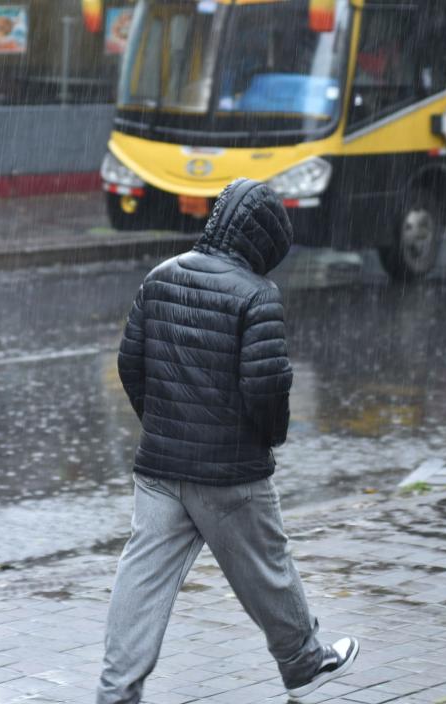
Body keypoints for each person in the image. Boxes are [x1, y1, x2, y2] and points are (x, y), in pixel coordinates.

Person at [98, 179, 360, 704]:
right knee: (268, 567)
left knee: (142, 580)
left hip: (159, 468)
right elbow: (266, 387)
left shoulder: (160, 277)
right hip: (230, 473)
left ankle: (116, 692)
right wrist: (269, 438)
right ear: (261, 242)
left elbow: (131, 363)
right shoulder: (256, 294)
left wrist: (162, 422)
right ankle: (303, 661)